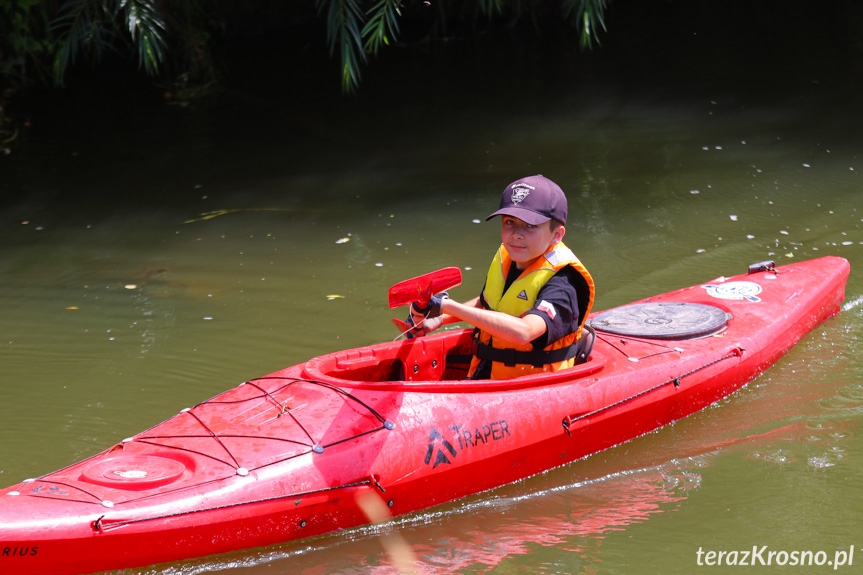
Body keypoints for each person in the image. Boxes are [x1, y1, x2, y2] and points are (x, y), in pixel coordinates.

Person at [408, 174, 595, 379]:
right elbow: (488, 304)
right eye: (509, 222)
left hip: (532, 387)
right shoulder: (510, 256)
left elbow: (524, 331)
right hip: (488, 371)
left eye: (530, 225)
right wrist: (438, 319)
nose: (516, 234)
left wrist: (446, 305)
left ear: (557, 235)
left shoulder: (564, 282)